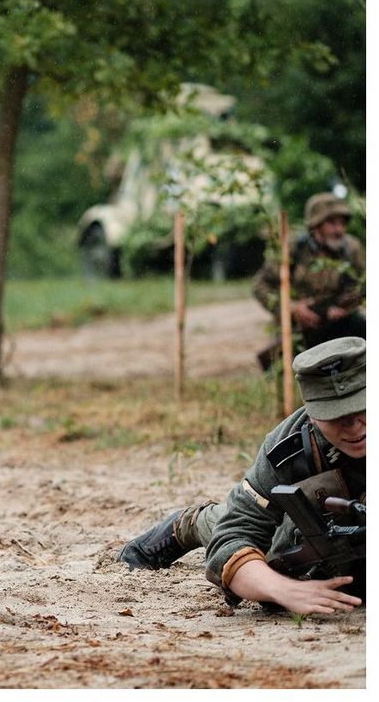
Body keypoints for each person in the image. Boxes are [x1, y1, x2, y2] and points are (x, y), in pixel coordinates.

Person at [116, 337, 365, 616]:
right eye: (335, 415)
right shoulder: (287, 448)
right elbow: (235, 534)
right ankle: (193, 522)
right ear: (313, 413)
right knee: (269, 553)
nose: (354, 426)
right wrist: (283, 590)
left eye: (362, 408)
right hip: (302, 537)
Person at [252, 191, 365, 367]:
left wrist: (346, 307)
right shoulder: (292, 249)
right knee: (290, 368)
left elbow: (363, 284)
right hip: (298, 329)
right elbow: (260, 286)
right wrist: (293, 308)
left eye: (342, 223)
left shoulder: (352, 248)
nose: (339, 230)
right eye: (332, 223)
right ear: (315, 225)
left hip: (339, 324)